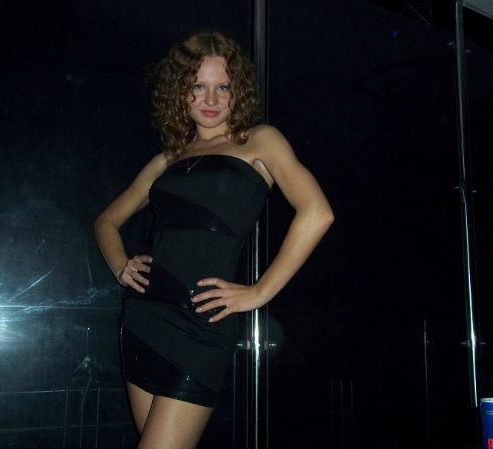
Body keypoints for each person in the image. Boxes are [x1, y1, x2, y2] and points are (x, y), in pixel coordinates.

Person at [94, 30, 334, 449]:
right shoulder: (167, 159)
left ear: (237, 91)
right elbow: (107, 221)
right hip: (144, 317)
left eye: (222, 87)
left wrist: (259, 292)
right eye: (198, 86)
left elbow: (318, 213)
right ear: (179, 92)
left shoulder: (259, 140)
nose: (211, 99)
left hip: (202, 324)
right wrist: (120, 266)